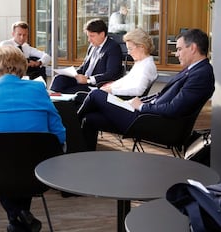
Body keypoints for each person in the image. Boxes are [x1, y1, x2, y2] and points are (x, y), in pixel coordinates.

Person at [0, 45, 66, 232]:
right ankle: (22, 214)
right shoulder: (38, 88)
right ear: (23, 67)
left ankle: (17, 216)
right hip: (36, 171)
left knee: (3, 161)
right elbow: (59, 133)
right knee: (24, 159)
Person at [77, 28, 215, 151]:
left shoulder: (200, 74)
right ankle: (80, 155)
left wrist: (142, 107)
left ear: (193, 48)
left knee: (96, 94)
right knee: (90, 119)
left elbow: (174, 109)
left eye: (179, 49)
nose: (176, 54)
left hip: (151, 123)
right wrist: (137, 102)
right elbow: (161, 95)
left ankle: (70, 126)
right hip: (147, 118)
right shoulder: (193, 70)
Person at [50, 18, 123, 94]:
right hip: (83, 81)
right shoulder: (92, 46)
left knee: (65, 92)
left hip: (94, 85)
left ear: (102, 34)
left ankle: (55, 102)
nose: (89, 40)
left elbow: (111, 74)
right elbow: (84, 66)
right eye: (88, 36)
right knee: (59, 78)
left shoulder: (113, 47)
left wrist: (88, 79)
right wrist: (73, 74)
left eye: (92, 36)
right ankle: (48, 100)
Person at [100, 28, 157, 97]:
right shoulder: (141, 62)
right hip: (121, 96)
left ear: (142, 47)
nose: (128, 53)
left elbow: (138, 91)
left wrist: (112, 90)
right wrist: (111, 86)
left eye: (130, 49)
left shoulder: (147, 66)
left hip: (124, 101)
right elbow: (126, 79)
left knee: (93, 95)